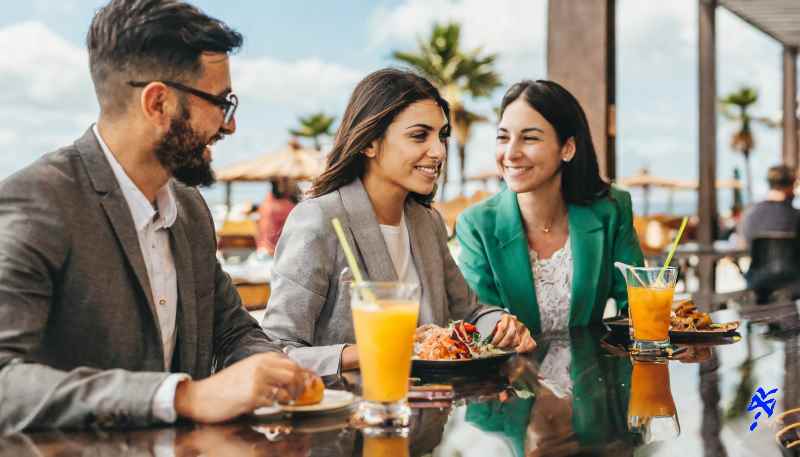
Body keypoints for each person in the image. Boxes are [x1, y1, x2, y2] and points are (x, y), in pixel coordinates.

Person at [0, 0, 309, 433]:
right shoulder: (38, 201)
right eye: (222, 102)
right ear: (158, 103)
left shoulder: (190, 209)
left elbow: (233, 331)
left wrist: (274, 370)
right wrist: (185, 396)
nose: (231, 125)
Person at [261, 68, 536, 376]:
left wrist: (500, 325)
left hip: (430, 413)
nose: (438, 151)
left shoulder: (427, 221)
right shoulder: (319, 220)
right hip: (353, 415)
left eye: (442, 136)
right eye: (419, 135)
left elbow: (469, 312)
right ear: (370, 143)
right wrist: (372, 350)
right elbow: (275, 351)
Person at [456, 80, 644, 334]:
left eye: (529, 138)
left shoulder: (611, 209)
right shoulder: (476, 224)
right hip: (508, 372)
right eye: (503, 137)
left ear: (567, 148)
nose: (510, 153)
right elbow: (479, 320)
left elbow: (638, 306)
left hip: (592, 372)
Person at [738, 165, 800, 302]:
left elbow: (743, 244)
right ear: (790, 185)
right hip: (795, 281)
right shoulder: (797, 216)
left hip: (758, 280)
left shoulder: (750, 213)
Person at [257, 177, 301, 256]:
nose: (296, 184)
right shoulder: (285, 206)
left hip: (263, 251)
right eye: (293, 180)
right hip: (274, 254)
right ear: (281, 183)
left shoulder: (266, 202)